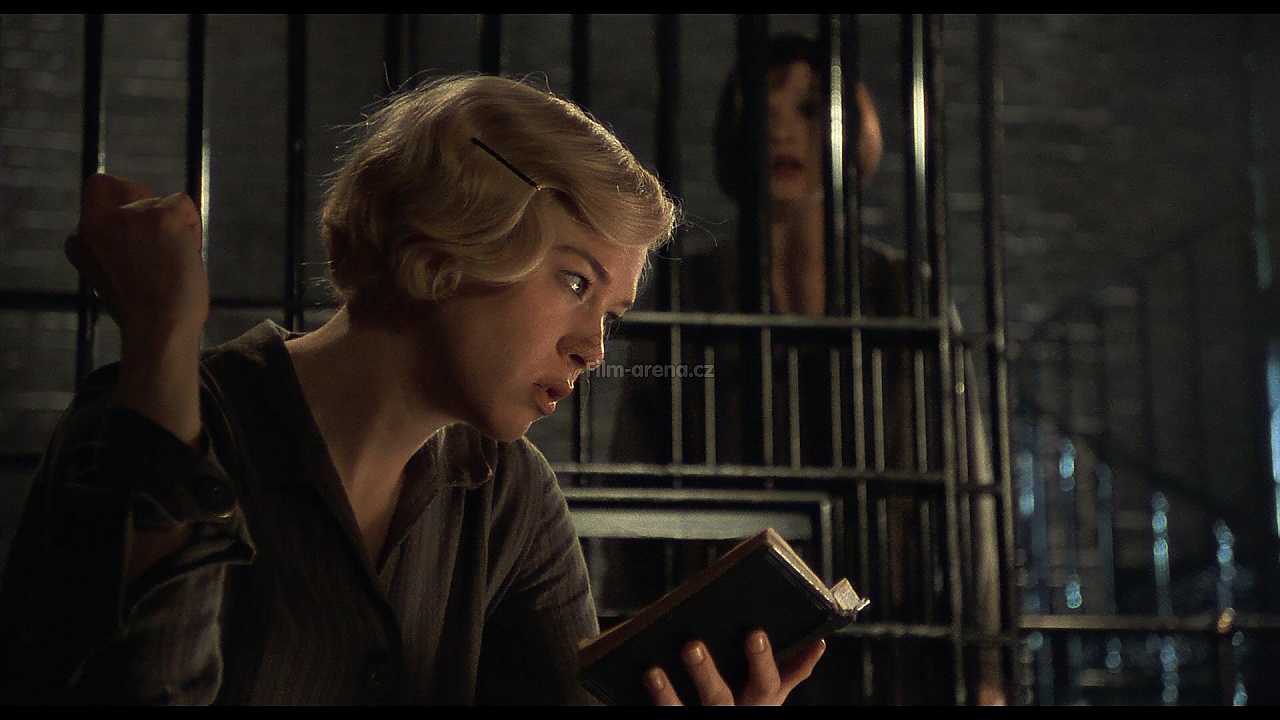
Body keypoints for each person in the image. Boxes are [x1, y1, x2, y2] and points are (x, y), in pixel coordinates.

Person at [0, 73, 828, 705]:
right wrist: (162, 340)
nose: (594, 350)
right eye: (576, 282)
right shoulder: (153, 420)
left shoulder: (509, 498)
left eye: (611, 313)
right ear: (457, 231)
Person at [610, 34, 1007, 705]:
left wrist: (986, 666)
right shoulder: (689, 294)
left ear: (853, 129)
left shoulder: (904, 293)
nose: (781, 130)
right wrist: (629, 654)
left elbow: (967, 489)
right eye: (761, 111)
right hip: (729, 648)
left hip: (893, 632)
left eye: (810, 108)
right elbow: (635, 482)